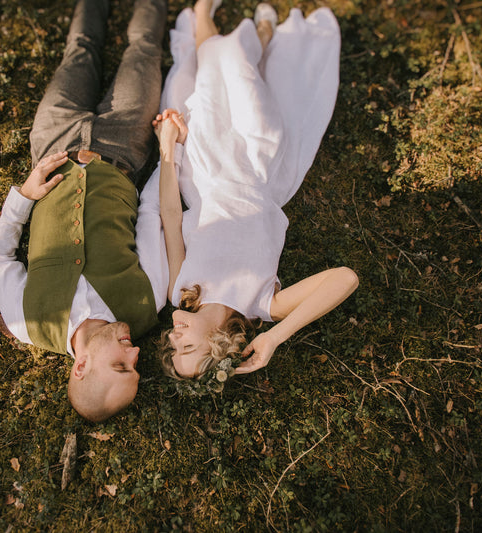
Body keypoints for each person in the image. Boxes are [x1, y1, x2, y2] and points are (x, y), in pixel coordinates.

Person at [149, 0, 359, 380]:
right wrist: (275, 337)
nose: (173, 337)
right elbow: (345, 278)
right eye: (187, 347)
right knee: (243, 79)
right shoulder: (265, 304)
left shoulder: (179, 290)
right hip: (259, 164)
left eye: (172, 347)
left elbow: (170, 214)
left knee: (215, 74)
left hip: (209, 167)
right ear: (216, 341)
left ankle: (204, 16)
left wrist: (168, 148)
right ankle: (258, 34)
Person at [0, 0, 168, 422]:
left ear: (80, 366)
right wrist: (169, 156)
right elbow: (152, 213)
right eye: (135, 365)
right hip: (122, 148)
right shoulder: (146, 303)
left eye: (122, 365)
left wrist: (25, 196)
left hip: (53, 142)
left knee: (81, 49)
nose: (135, 352)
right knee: (143, 49)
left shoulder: (31, 323)